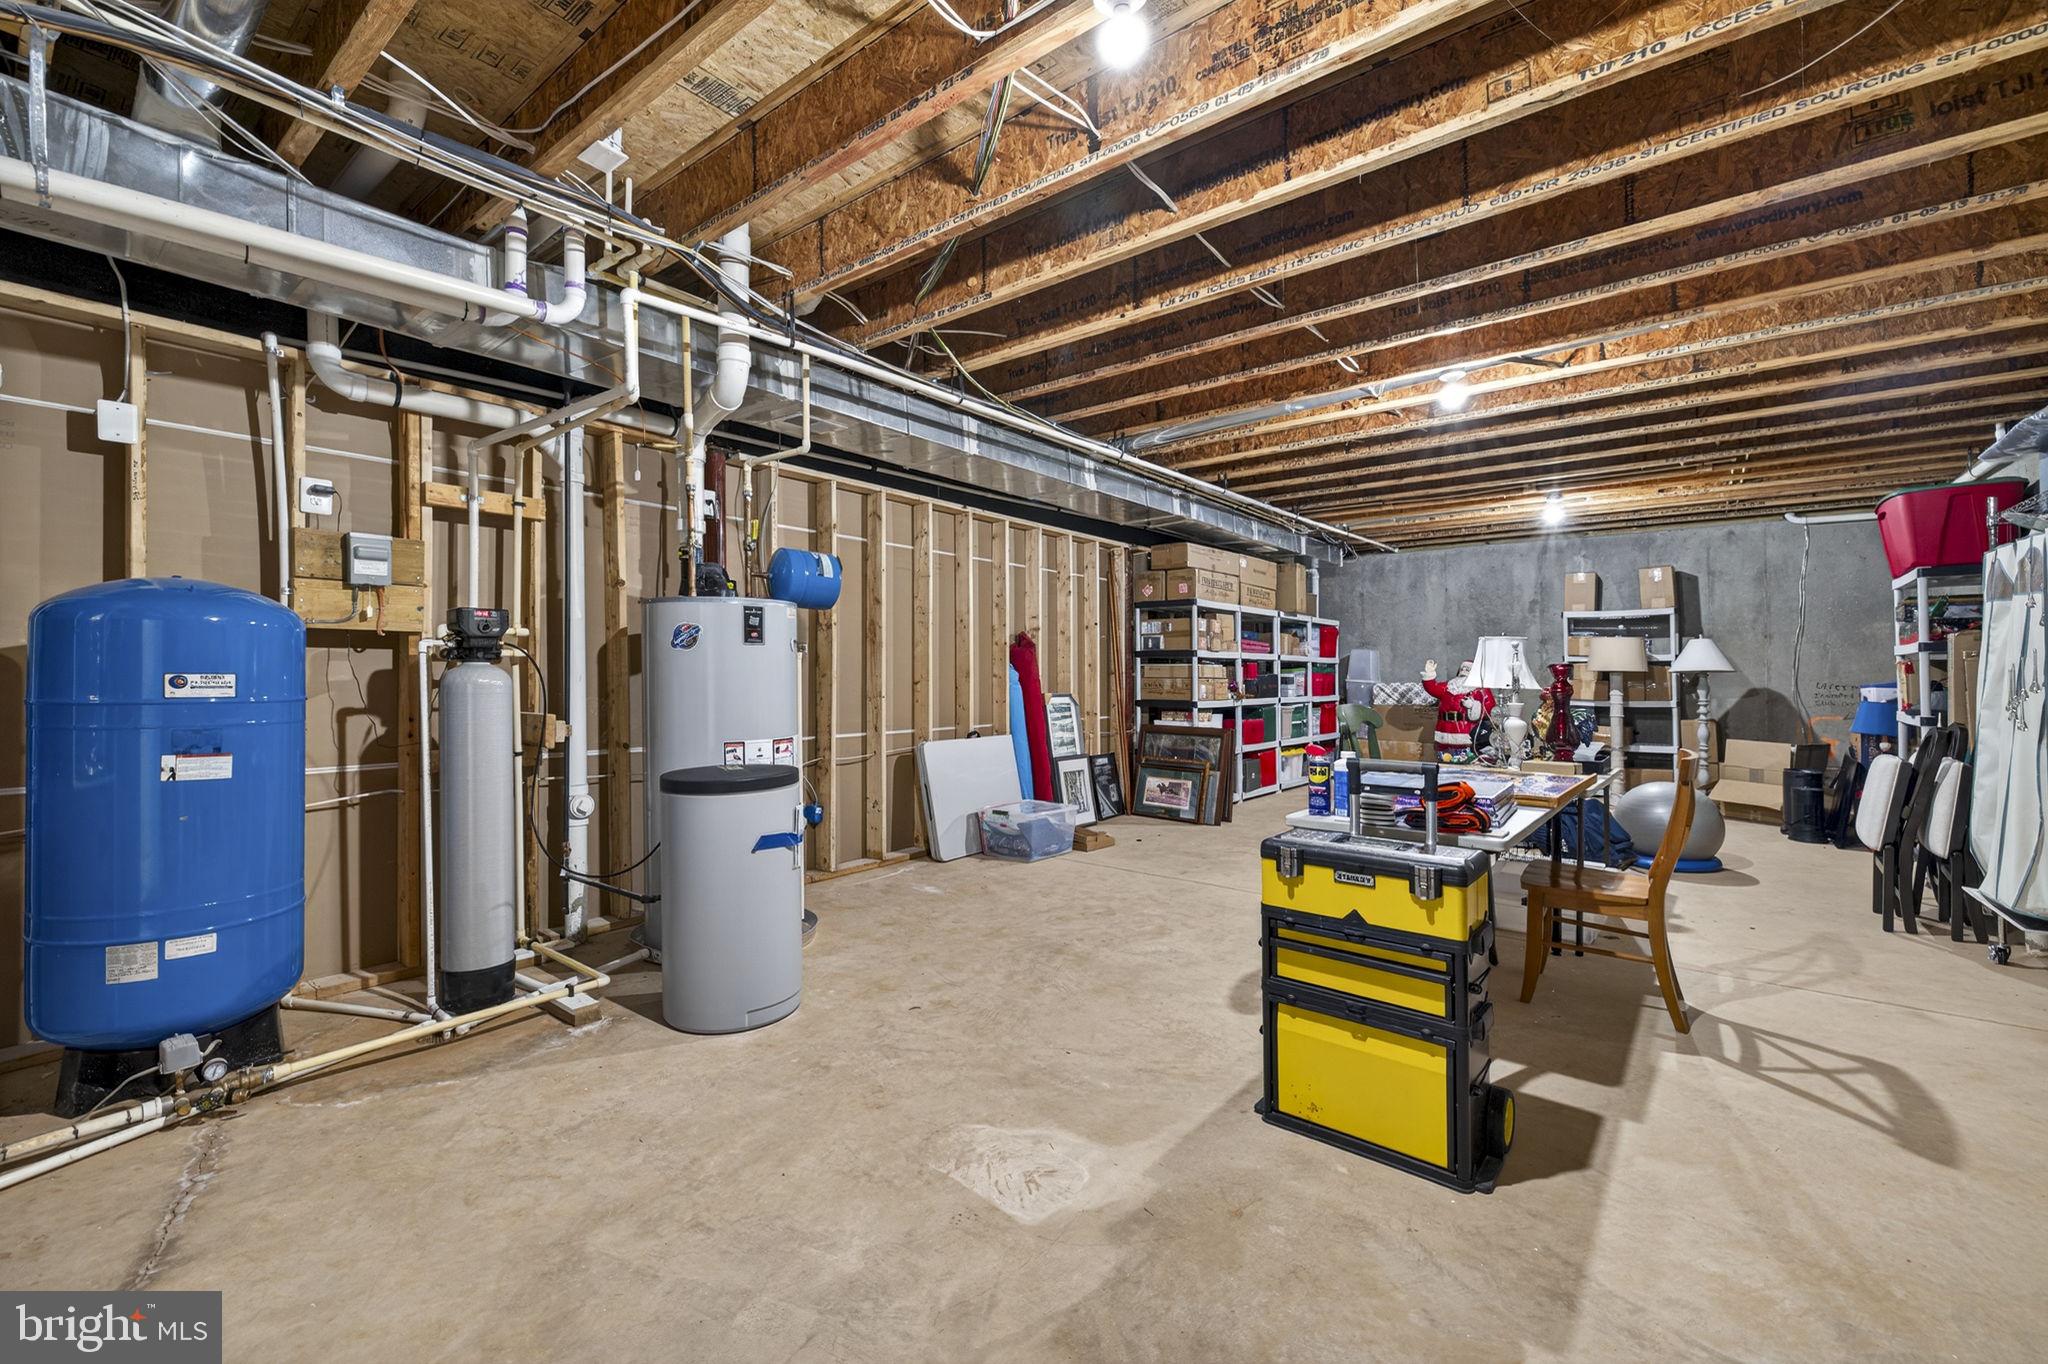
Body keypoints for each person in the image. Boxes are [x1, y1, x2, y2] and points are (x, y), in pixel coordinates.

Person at [1421, 658, 1492, 765]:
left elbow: (1490, 707)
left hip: (1466, 731)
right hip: (1444, 730)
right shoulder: (1448, 687)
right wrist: (1429, 675)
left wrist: (1473, 705)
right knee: (1445, 758)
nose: (1464, 671)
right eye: (1462, 669)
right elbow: (1432, 688)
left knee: (1466, 759)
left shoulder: (1480, 689)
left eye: (1467, 669)